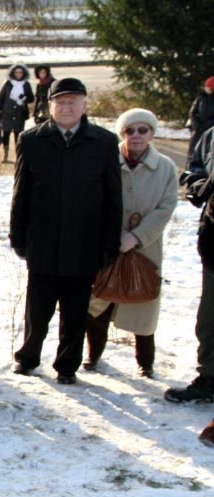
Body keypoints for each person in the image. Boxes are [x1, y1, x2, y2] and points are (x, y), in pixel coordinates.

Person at [9, 77, 122, 384]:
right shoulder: (33, 140)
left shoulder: (103, 142)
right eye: (61, 102)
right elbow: (22, 191)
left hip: (85, 242)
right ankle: (28, 356)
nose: (67, 107)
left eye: (73, 101)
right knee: (38, 307)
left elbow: (114, 197)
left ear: (85, 106)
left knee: (75, 310)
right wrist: (17, 236)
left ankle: (67, 364)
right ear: (50, 106)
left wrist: (110, 243)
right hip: (43, 240)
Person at [83, 109, 178, 378]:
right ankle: (93, 355)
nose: (136, 136)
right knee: (99, 302)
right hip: (106, 244)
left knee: (143, 300)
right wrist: (110, 236)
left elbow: (166, 207)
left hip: (145, 248)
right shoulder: (106, 160)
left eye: (142, 130)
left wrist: (136, 237)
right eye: (129, 131)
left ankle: (145, 362)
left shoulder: (166, 167)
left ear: (151, 133)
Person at [165, 125, 214, 403]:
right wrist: (199, 185)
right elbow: (194, 170)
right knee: (209, 319)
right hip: (213, 239)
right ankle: (209, 377)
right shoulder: (211, 136)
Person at [0, 63, 34, 163]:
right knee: (6, 133)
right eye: (16, 72)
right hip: (7, 112)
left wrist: (24, 98)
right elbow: (1, 97)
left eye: (20, 72)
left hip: (20, 113)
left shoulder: (26, 84)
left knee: (18, 135)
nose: (18, 74)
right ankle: (5, 154)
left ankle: (18, 155)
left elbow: (31, 98)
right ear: (13, 73)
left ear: (23, 73)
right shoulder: (8, 83)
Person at [186, 76, 214, 165]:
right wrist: (196, 124)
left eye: (209, 88)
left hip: (210, 130)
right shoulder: (200, 97)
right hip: (197, 129)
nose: (207, 89)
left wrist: (207, 126)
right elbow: (192, 112)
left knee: (206, 152)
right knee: (193, 151)